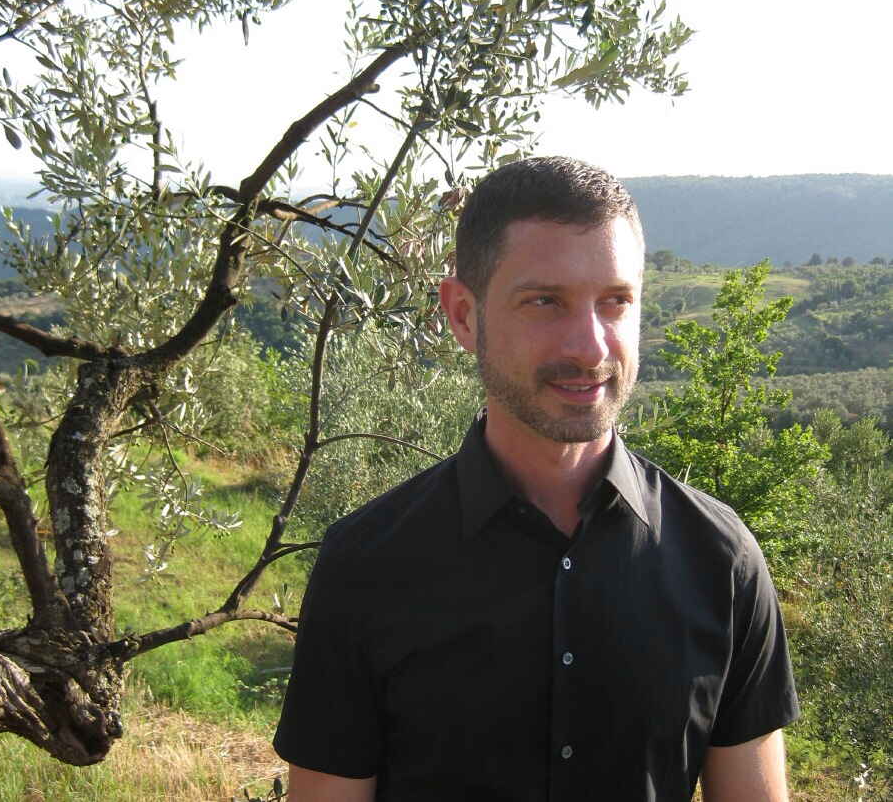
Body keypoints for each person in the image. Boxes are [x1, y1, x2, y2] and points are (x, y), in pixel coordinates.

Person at [273, 157, 799, 801]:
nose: (591, 346)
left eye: (615, 301)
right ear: (463, 316)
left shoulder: (721, 563)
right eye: (545, 301)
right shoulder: (366, 567)